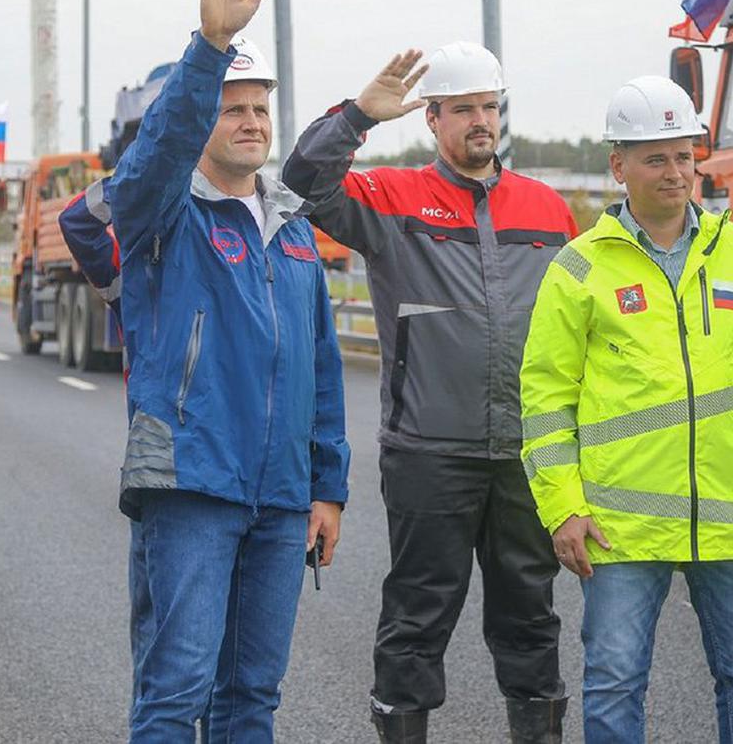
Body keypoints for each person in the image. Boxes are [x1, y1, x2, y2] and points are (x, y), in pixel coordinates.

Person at [282, 42, 575, 743]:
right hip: (428, 452)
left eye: (490, 107)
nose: (481, 121)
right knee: (417, 619)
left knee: (530, 620)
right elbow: (301, 185)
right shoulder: (393, 199)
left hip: (526, 455)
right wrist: (355, 117)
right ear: (434, 120)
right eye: (465, 109)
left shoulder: (548, 210)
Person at [102, 0, 350, 743]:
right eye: (231, 108)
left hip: (279, 497)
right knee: (176, 692)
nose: (250, 121)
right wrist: (209, 49)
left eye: (258, 108)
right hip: (191, 483)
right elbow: (154, 157)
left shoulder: (290, 226)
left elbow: (319, 368)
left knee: (253, 698)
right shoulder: (162, 210)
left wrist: (326, 487)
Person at [520, 76, 733, 744]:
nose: (676, 172)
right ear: (619, 167)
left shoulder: (730, 247)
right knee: (614, 685)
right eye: (655, 158)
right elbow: (546, 398)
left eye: (683, 155)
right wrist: (564, 507)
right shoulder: (579, 269)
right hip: (618, 525)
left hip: (728, 515)